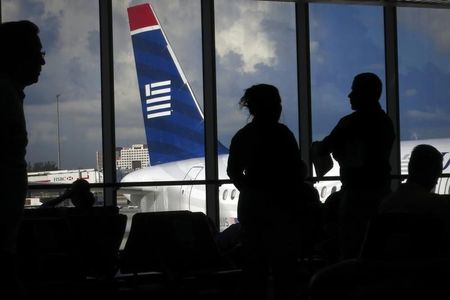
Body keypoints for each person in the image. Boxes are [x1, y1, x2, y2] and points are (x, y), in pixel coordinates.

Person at [227, 84, 306, 300]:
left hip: (253, 208)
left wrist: (251, 191)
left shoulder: (243, 136)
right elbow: (296, 169)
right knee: (285, 270)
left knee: (255, 268)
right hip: (282, 209)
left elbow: (233, 171)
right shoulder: (283, 134)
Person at [311, 72, 395, 259]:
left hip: (356, 194)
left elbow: (325, 147)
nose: (350, 96)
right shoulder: (385, 123)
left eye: (354, 91)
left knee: (352, 247)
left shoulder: (350, 123)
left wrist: (317, 148)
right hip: (381, 190)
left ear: (365, 94)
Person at [0, 20, 45, 298]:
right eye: (37, 52)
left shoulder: (10, 94)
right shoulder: (4, 98)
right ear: (18, 55)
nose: (42, 61)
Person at [379, 144, 450, 233]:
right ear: (433, 173)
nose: (437, 181)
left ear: (410, 167)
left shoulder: (386, 204)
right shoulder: (438, 205)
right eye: (438, 174)